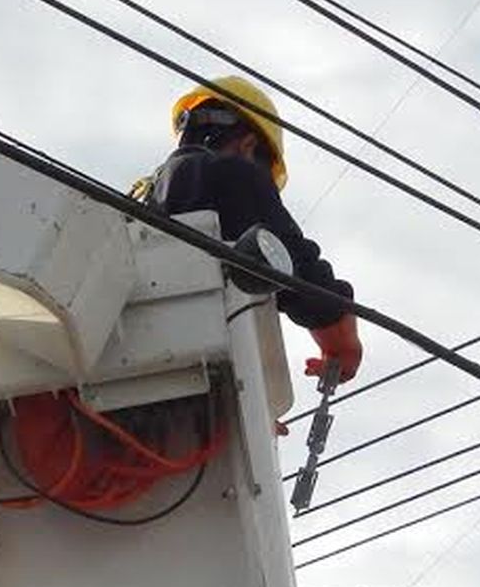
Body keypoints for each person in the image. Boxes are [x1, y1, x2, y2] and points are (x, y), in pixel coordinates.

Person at [133, 76, 362, 382]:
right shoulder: (230, 173)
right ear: (249, 145)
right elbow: (291, 263)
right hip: (187, 381)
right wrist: (342, 343)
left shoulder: (137, 204)